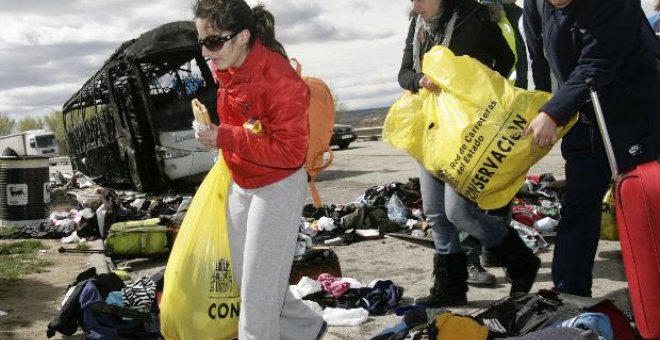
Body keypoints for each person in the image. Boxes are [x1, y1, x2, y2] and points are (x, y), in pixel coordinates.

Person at [193, 0, 326, 338]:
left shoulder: (279, 79)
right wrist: (215, 134)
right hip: (243, 183)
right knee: (256, 283)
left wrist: (224, 136)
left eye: (214, 42)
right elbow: (248, 127)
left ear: (243, 36)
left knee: (256, 297)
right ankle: (309, 327)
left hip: (278, 187)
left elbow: (291, 152)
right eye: (201, 43)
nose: (207, 54)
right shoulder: (228, 70)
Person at [399, 0, 540, 307]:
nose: (415, 4)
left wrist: (478, 92)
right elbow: (404, 73)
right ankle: (450, 289)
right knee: (437, 214)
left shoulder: (473, 16)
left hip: (468, 132)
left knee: (458, 211)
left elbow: (505, 58)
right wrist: (420, 80)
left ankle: (520, 261)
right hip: (432, 128)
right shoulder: (417, 26)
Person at [523, 0, 660, 297]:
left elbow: (599, 61)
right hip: (583, 112)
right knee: (580, 203)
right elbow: (538, 58)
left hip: (635, 107)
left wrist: (553, 112)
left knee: (645, 199)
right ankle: (569, 293)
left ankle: (653, 287)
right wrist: (541, 105)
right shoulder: (535, 4)